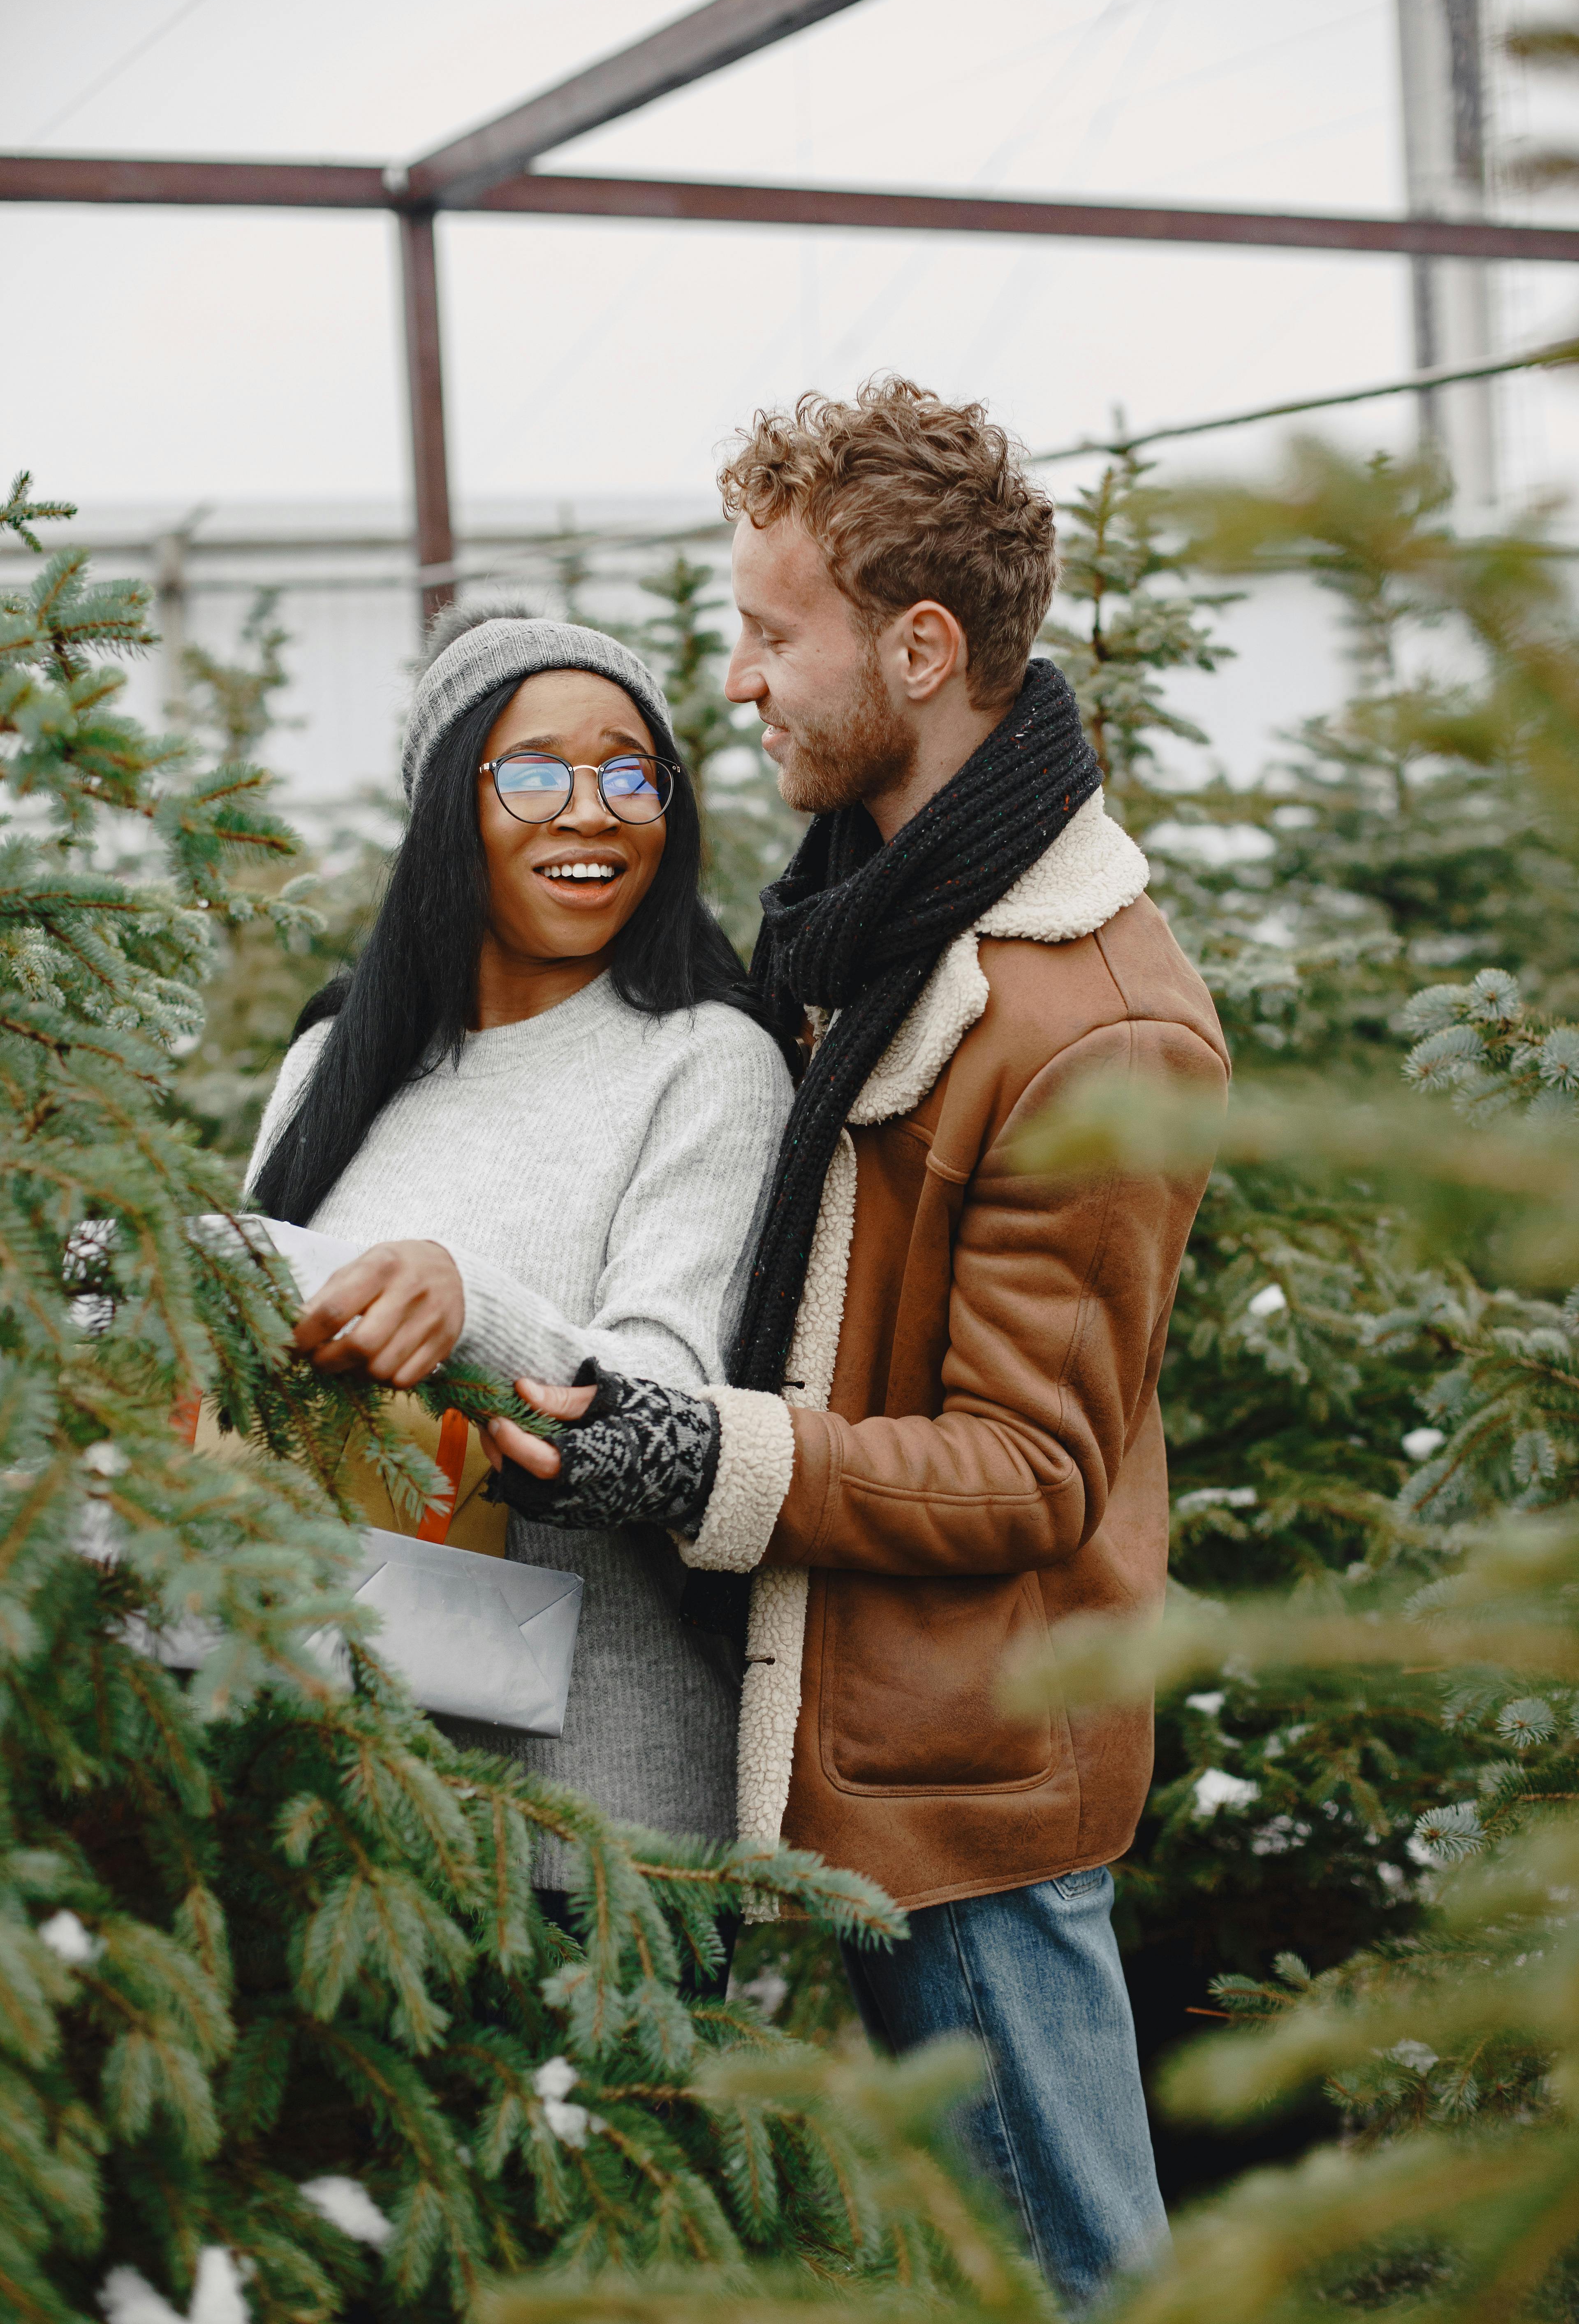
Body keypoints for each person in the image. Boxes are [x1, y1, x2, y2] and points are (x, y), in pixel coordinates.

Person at [481, 380, 1230, 2305]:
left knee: (1068, 2277)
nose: (731, 682)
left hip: (964, 1779)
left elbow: (1031, 1469)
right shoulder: (867, 924)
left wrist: (697, 1455)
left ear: (922, 649)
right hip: (848, 1732)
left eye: (767, 632)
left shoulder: (1090, 1027)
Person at [245, 611, 793, 1969]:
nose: (592, 812)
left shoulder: (705, 1061)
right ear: (453, 809)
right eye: (537, 772)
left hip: (594, 1839)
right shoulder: (339, 1060)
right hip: (342, 1802)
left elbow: (671, 1402)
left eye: (630, 773)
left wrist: (464, 1304)